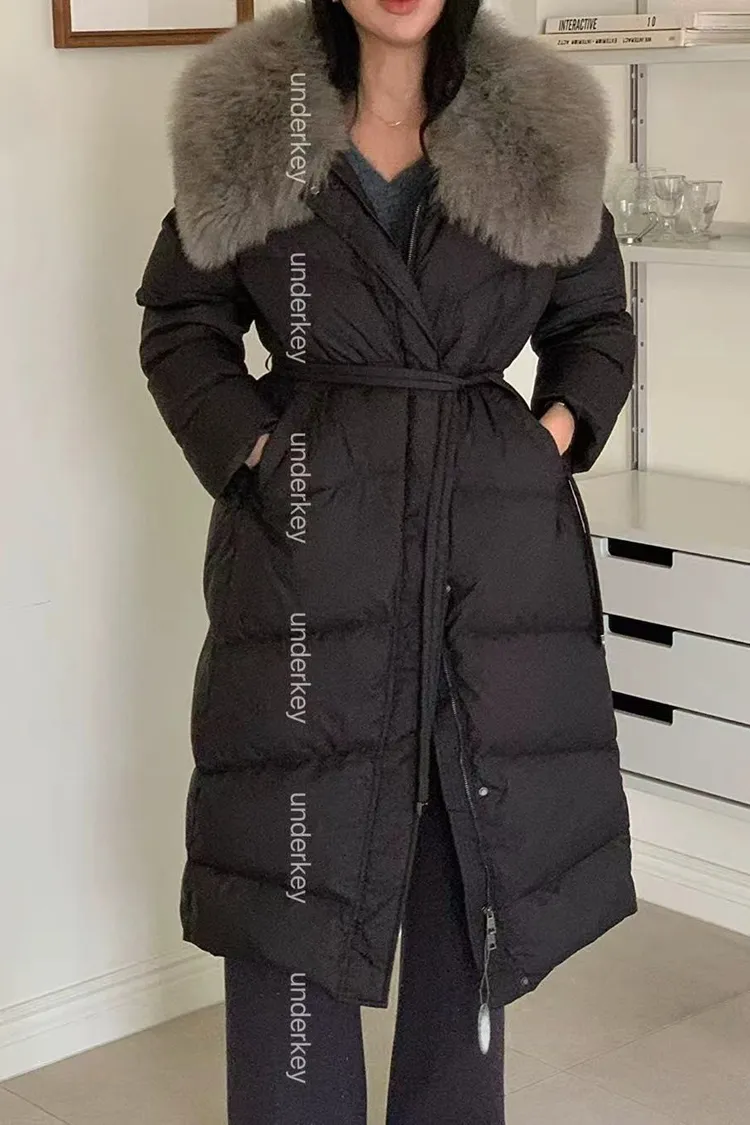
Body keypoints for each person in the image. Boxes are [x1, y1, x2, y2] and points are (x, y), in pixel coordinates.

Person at [136, 0, 638, 1121]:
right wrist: (260, 454)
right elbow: (182, 324)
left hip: (489, 562)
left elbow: (596, 324)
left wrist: (548, 443)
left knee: (473, 861)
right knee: (296, 869)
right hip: (314, 558)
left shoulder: (540, 124)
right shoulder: (253, 122)